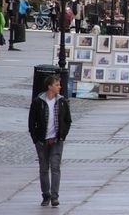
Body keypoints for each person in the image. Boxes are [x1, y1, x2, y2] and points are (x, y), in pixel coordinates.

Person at [28, 75, 72, 207]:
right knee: (43, 168)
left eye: (59, 84)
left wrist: (62, 135)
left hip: (57, 140)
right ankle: (45, 195)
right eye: (57, 85)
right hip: (42, 141)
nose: (60, 86)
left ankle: (54, 197)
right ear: (50, 86)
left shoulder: (62, 101)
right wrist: (36, 139)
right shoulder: (38, 102)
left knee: (55, 168)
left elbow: (68, 120)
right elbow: (31, 122)